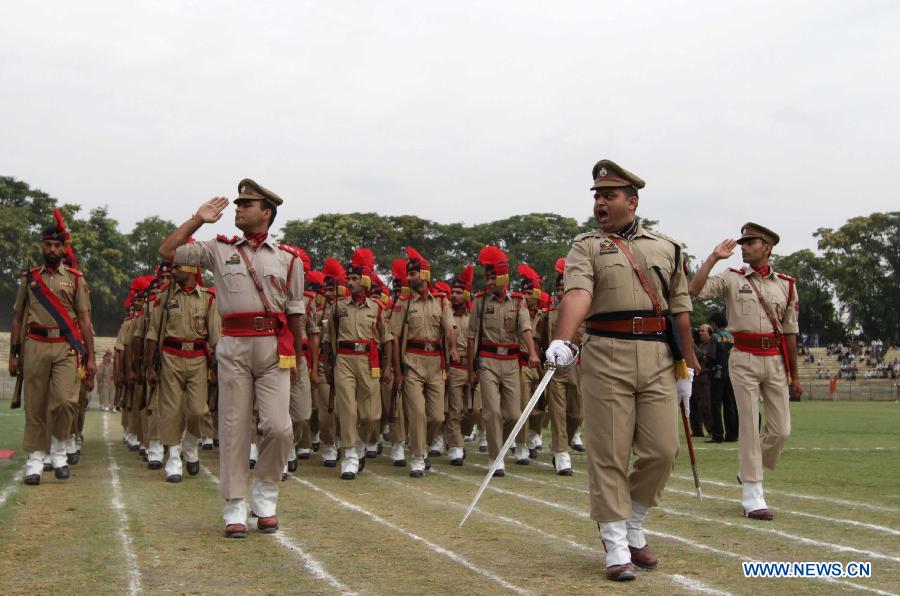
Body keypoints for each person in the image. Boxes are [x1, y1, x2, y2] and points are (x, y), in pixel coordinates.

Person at [547, 159, 698, 581]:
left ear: (631, 202)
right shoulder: (585, 247)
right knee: (609, 452)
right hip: (605, 352)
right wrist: (563, 337)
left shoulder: (666, 247)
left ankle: (632, 520)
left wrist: (687, 365)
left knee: (662, 450)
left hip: (657, 357)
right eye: (596, 195)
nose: (600, 202)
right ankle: (616, 543)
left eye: (608, 195)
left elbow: (680, 309)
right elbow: (578, 293)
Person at [159, 180, 305, 538]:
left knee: (279, 426)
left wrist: (300, 358)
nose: (238, 209)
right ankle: (235, 504)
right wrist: (198, 219)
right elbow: (167, 252)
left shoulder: (289, 258)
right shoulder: (217, 249)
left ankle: (266, 492)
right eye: (237, 204)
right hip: (235, 345)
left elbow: (296, 313)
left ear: (266, 213)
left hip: (274, 347)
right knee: (234, 428)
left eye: (247, 204)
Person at [689, 223, 803, 521]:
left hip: (775, 358)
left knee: (780, 430)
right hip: (743, 357)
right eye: (742, 242)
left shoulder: (787, 284)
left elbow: (790, 331)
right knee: (750, 426)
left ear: (767, 246)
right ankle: (753, 493)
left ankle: (748, 470)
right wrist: (714, 258)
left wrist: (796, 375)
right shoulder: (731, 278)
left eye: (750, 242)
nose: (743, 247)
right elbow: (694, 290)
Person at [9, 209, 96, 485]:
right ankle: (35, 458)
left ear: (63, 248)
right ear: (42, 246)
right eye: (48, 244)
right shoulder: (29, 278)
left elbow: (84, 319)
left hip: (65, 347)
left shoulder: (74, 278)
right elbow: (18, 316)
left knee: (65, 402)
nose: (52, 249)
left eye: (57, 245)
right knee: (35, 404)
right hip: (35, 343)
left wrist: (91, 357)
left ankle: (59, 450)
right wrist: (14, 352)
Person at [145, 257, 221, 483]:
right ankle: (174, 459)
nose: (173, 271)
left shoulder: (208, 299)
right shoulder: (165, 297)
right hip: (171, 358)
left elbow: (216, 338)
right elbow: (153, 333)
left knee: (199, 411)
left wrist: (218, 367)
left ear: (190, 268)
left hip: (198, 359)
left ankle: (190, 445)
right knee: (171, 410)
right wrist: (150, 366)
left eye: (177, 267)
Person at [467, 245, 541, 477]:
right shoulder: (479, 301)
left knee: (513, 415)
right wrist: (471, 368)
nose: (489, 281)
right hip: (487, 360)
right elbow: (471, 337)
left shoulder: (517, 302)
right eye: (487, 276)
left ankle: (503, 442)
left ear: (503, 278)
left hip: (510, 362)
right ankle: (495, 456)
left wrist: (533, 354)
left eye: (493, 277)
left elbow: (525, 329)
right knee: (491, 412)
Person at [321, 248, 394, 480]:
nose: (349, 283)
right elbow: (326, 338)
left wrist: (388, 366)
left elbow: (387, 339)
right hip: (343, 360)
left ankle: (361, 443)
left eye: (354, 279)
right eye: (348, 279)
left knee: (371, 416)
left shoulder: (377, 308)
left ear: (364, 281)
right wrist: (327, 364)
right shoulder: (338, 307)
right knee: (347, 411)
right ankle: (350, 455)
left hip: (369, 361)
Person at [391, 247, 457, 477]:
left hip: (435, 363)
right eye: (408, 274)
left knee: (437, 416)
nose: (408, 278)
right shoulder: (404, 302)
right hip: (413, 362)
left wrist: (453, 348)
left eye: (413, 274)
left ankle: (422, 445)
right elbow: (395, 336)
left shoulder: (441, 301)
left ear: (425, 275)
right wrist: (398, 370)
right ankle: (418, 458)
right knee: (418, 412)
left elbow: (449, 328)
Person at [706, 311, 738, 442]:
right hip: (731, 373)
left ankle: (717, 434)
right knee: (729, 404)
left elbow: (710, 357)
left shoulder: (714, 337)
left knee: (715, 404)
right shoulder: (732, 337)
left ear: (714, 323)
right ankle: (732, 434)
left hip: (717, 375)